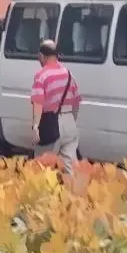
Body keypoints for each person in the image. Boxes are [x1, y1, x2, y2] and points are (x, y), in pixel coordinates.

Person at [30, 39, 80, 174]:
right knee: (70, 168)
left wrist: (36, 126)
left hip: (50, 124)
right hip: (69, 123)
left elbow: (38, 102)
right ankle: (72, 187)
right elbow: (76, 101)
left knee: (43, 167)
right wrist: (71, 121)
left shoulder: (41, 76)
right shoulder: (69, 74)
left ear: (41, 56)